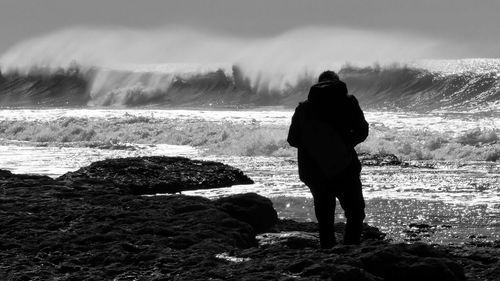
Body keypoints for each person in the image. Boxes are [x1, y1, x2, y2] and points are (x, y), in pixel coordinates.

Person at [287, 70, 369, 248]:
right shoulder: (348, 102)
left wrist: (315, 146)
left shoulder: (303, 108)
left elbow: (292, 139)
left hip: (314, 170)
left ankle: (327, 250)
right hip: (345, 166)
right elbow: (362, 131)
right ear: (338, 84)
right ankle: (351, 249)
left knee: (325, 215)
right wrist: (343, 144)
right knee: (355, 212)